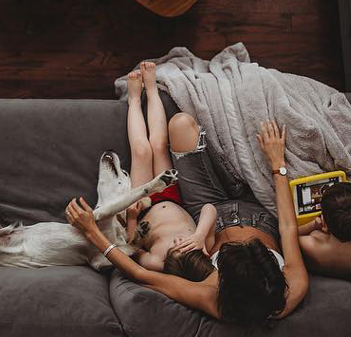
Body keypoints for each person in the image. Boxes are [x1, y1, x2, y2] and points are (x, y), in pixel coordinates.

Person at [66, 118, 308, 323]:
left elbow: (140, 274)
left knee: (180, 124)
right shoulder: (293, 286)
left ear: (224, 284)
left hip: (204, 206)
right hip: (259, 208)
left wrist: (91, 232)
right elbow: (287, 228)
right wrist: (278, 165)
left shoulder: (211, 297)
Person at [123, 62, 216, 281]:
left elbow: (131, 249)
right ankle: (152, 89)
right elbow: (210, 208)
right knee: (158, 144)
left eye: (173, 250)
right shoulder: (203, 243)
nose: (177, 243)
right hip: (172, 196)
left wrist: (132, 218)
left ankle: (134, 101)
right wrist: (200, 235)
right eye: (184, 245)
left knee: (142, 151)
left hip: (144, 206)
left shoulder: (156, 262)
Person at [297, 183, 351, 278]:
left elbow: (287, 237)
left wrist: (313, 225)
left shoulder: (310, 245)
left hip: (319, 264)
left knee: (316, 234)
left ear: (325, 225)